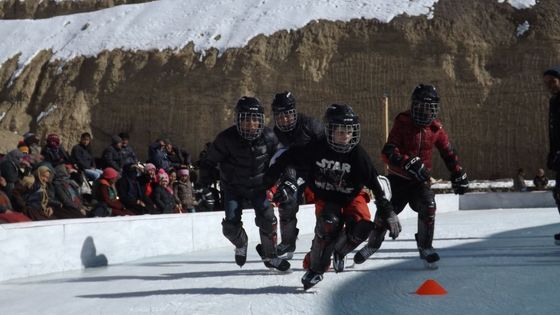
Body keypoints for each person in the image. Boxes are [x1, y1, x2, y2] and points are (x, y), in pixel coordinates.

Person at [265, 104, 400, 290]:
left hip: (352, 196)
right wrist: (270, 179)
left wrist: (388, 211)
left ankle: (339, 251)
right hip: (326, 197)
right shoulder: (316, 148)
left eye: (349, 131)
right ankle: (316, 269)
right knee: (328, 225)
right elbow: (288, 158)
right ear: (329, 131)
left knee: (362, 226)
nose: (345, 136)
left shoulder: (358, 155)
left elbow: (375, 184)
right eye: (340, 131)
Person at [354, 84, 468, 268]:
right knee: (385, 214)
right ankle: (372, 245)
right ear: (413, 106)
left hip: (420, 183)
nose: (424, 113)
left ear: (435, 110)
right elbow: (388, 151)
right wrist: (407, 161)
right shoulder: (403, 122)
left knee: (428, 205)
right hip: (397, 180)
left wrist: (458, 172)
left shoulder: (435, 129)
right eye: (420, 107)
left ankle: (425, 247)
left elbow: (448, 152)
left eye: (429, 108)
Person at [199, 96, 290, 271]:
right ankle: (241, 243)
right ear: (238, 120)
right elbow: (208, 161)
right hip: (233, 188)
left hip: (259, 187)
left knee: (268, 220)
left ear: (261, 121)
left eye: (255, 119)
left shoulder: (269, 137)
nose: (251, 123)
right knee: (230, 227)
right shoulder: (226, 138)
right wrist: (204, 184)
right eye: (246, 119)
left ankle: (271, 256)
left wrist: (287, 182)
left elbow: (283, 160)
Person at [267, 91, 324, 259]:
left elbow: (329, 145)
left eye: (287, 114)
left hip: (318, 169)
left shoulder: (311, 124)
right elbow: (278, 160)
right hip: (295, 172)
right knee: (286, 200)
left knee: (327, 207)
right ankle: (288, 242)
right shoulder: (275, 134)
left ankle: (329, 243)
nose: (284, 119)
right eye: (279, 116)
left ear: (294, 112)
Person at [543, 66, 560, 244]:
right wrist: (553, 152)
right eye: (547, 83)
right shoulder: (554, 101)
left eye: (553, 82)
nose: (550, 86)